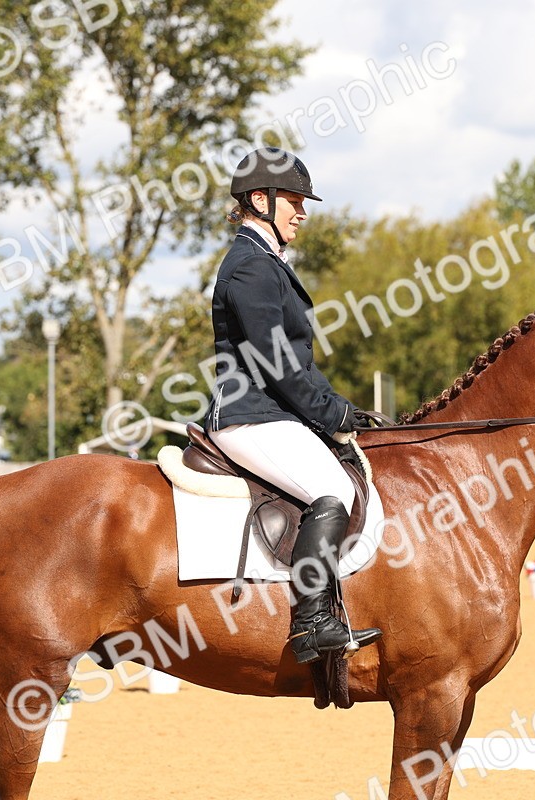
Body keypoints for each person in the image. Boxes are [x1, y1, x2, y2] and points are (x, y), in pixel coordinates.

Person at [204, 147, 382, 664]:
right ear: (261, 199)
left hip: (271, 413)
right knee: (331, 488)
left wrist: (338, 407)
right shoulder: (250, 269)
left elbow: (298, 364)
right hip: (249, 413)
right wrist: (330, 414)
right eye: (295, 201)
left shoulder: (265, 263)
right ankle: (311, 624)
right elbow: (277, 363)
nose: (302, 212)